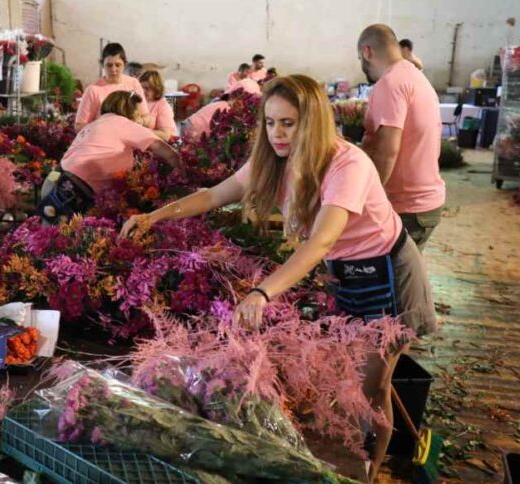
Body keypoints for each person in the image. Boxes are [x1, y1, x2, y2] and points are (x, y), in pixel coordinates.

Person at [122, 75, 436, 484]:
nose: (277, 134)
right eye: (270, 123)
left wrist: (262, 291)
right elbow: (214, 194)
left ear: (313, 122)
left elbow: (321, 241)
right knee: (353, 379)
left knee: (371, 388)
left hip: (388, 275)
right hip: (346, 275)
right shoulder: (275, 161)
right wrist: (155, 216)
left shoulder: (348, 165)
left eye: (288, 123)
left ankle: (370, 471)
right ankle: (362, 460)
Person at [358, 25, 445, 249]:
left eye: (360, 58)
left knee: (393, 279)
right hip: (422, 204)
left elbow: (388, 151)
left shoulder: (390, 83)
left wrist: (363, 199)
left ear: (367, 52)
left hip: (407, 207)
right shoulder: (414, 76)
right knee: (407, 278)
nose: (362, 66)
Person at [39, 91, 180, 221]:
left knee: (51, 239)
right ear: (128, 110)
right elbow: (163, 149)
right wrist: (182, 172)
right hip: (72, 190)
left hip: (55, 180)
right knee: (64, 241)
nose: (140, 120)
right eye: (138, 114)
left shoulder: (96, 124)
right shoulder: (123, 123)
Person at [74, 42, 153, 131]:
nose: (113, 69)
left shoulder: (133, 84)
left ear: (125, 64)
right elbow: (79, 126)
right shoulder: (93, 90)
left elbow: (146, 115)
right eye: (109, 65)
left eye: (118, 65)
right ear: (102, 65)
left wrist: (141, 122)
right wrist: (102, 128)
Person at [139, 70, 177, 140]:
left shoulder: (163, 105)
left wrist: (140, 131)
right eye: (141, 87)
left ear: (156, 89)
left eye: (147, 88)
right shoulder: (135, 101)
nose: (143, 91)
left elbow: (166, 135)